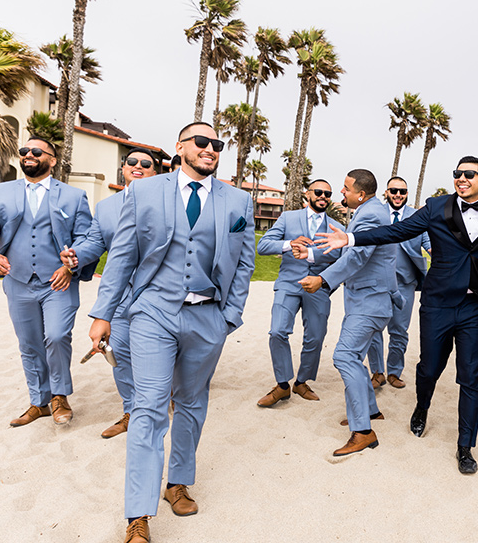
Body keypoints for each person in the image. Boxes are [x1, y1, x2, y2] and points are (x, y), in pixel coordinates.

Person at [86, 122, 255, 543]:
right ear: (181, 147)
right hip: (152, 313)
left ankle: (178, 482)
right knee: (148, 407)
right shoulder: (145, 192)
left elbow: (245, 263)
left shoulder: (238, 200)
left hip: (208, 317)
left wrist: (228, 317)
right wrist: (103, 313)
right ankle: (138, 515)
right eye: (202, 142)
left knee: (193, 402)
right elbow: (123, 256)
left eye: (217, 144)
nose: (211, 149)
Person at [316, 157, 478, 475]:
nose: (462, 178)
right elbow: (395, 231)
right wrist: (352, 238)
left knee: (471, 378)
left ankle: (465, 447)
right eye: (457, 173)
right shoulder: (437, 207)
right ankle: (422, 406)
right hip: (438, 304)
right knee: (428, 369)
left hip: (475, 307)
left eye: (469, 174)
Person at [0, 137, 93, 427]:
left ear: (52, 160)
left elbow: (87, 237)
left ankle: (60, 396)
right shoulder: (0, 192)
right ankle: (39, 402)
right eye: (24, 151)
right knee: (29, 344)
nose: (29, 155)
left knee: (56, 336)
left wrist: (71, 264)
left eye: (36, 151)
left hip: (58, 282)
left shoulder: (74, 196)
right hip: (18, 280)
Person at [298, 169, 401, 457]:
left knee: (344, 356)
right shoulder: (371, 211)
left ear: (361, 193)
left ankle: (363, 431)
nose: (341, 193)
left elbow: (357, 256)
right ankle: (370, 410)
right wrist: (310, 254)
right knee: (353, 356)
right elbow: (346, 250)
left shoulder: (370, 216)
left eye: (345, 189)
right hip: (368, 300)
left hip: (369, 301)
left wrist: (323, 280)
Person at [60, 148, 159, 438]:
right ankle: (131, 411)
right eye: (131, 162)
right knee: (120, 353)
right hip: (119, 295)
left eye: (145, 164)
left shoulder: (167, 203)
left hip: (157, 294)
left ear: (155, 172)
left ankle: (165, 400)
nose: (137, 166)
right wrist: (75, 256)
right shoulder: (106, 207)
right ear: (123, 168)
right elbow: (94, 242)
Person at [255, 179, 343, 407]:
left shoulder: (336, 226)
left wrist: (312, 253)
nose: (323, 196)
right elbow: (263, 245)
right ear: (308, 193)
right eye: (319, 192)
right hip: (288, 283)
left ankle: (302, 382)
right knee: (277, 331)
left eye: (328, 193)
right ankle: (283, 385)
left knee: (315, 336)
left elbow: (340, 256)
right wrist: (288, 244)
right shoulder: (288, 217)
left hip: (319, 286)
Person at [366, 176, 429, 390]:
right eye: (394, 190)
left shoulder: (417, 216)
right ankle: (377, 372)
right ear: (387, 192)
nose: (398, 195)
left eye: (402, 191)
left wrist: (438, 252)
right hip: (377, 283)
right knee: (374, 329)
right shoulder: (376, 213)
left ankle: (394, 372)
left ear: (407, 194)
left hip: (405, 283)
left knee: (399, 331)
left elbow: (428, 241)